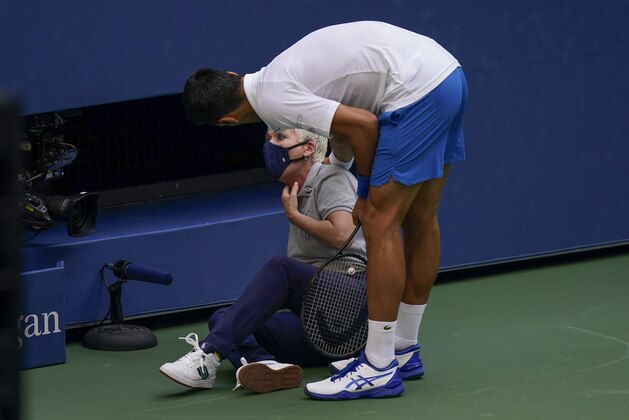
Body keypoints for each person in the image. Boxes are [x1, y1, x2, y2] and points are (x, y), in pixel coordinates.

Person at [181, 20, 467, 400]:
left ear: (227, 122)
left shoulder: (273, 102)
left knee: (381, 222)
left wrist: (364, 193)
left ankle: (379, 366)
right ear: (233, 75)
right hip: (446, 74)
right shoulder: (272, 76)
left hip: (414, 91)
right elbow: (348, 126)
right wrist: (340, 163)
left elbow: (365, 126)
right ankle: (403, 350)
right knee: (420, 219)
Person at [159, 127, 366, 393]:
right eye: (268, 139)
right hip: (325, 331)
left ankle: (207, 357)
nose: (270, 145)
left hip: (355, 303)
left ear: (308, 148)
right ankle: (265, 365)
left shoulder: (330, 178)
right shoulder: (295, 191)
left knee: (282, 269)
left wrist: (294, 216)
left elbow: (343, 234)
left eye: (280, 137)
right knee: (224, 318)